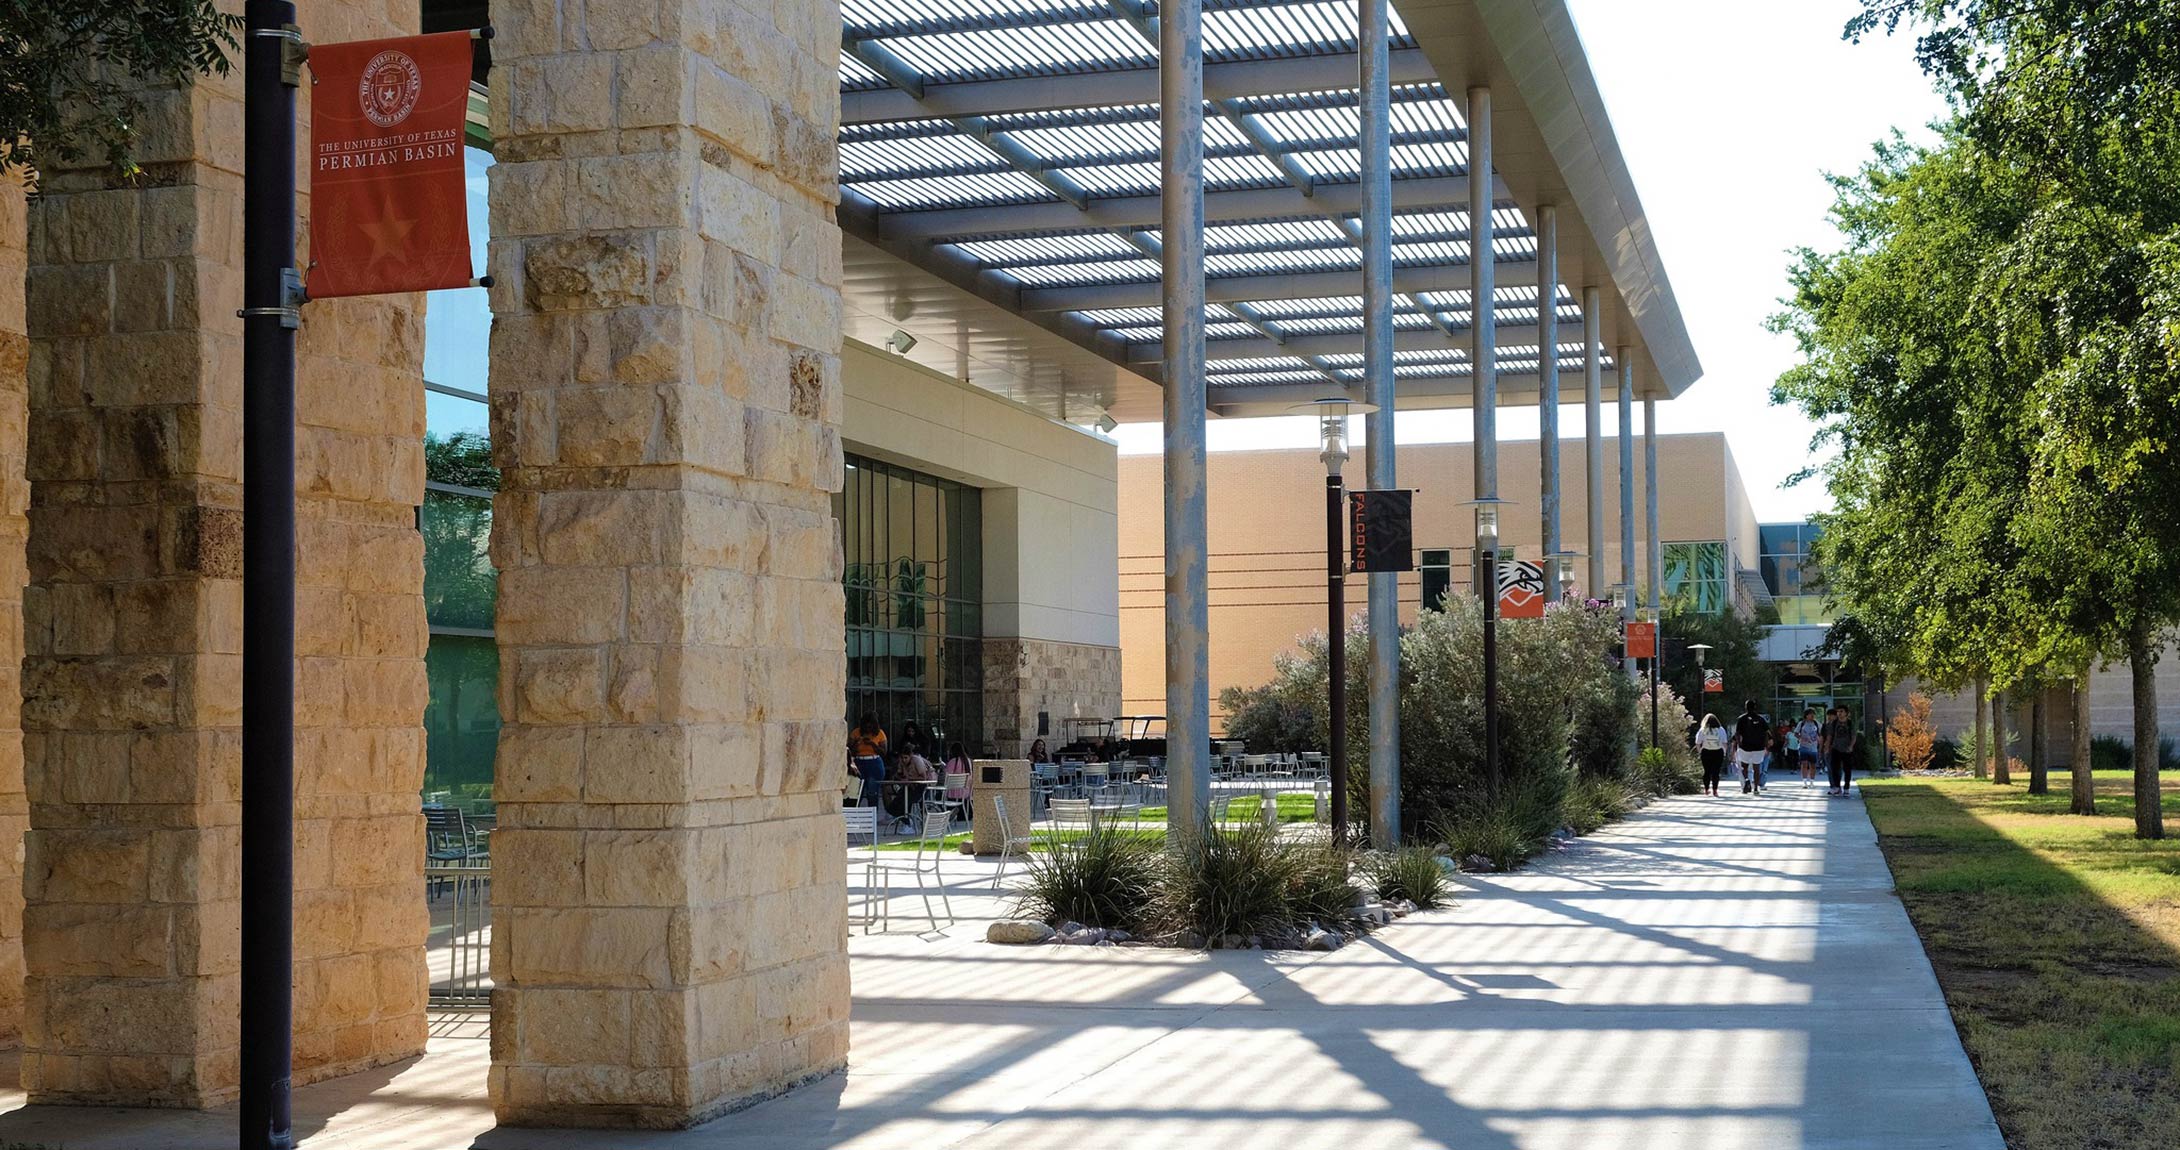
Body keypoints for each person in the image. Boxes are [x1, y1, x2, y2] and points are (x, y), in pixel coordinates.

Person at [1733, 699, 1770, 795]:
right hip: (1758, 747)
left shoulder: (1741, 719)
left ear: (1745, 707)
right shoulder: (1761, 719)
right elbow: (1766, 733)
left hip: (1745, 746)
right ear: (1755, 707)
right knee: (1756, 768)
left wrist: (1739, 744)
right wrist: (1766, 746)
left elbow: (1737, 733)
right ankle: (1756, 788)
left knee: (1744, 767)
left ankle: (1746, 780)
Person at [847, 714, 887, 804]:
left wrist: (872, 744)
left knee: (872, 792)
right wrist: (857, 744)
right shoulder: (856, 733)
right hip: (859, 762)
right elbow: (848, 751)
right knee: (856, 792)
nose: (868, 729)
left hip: (874, 763)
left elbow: (884, 752)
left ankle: (872, 815)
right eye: (866, 726)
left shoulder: (880, 733)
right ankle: (855, 814)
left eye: (870, 726)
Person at [1825, 705, 1861, 796]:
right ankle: (1837, 787)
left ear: (1846, 713)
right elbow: (1829, 736)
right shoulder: (1834, 723)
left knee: (1847, 769)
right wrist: (1827, 747)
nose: (1839, 713)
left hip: (1846, 749)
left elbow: (1853, 736)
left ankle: (1846, 788)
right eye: (1838, 712)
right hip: (1835, 748)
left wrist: (1851, 746)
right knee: (1834, 768)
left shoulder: (1850, 723)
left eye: (1841, 711)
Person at [893, 746, 935, 820]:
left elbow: (923, 778)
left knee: (907, 799)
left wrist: (909, 779)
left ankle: (908, 820)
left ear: (910, 756)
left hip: (923, 786)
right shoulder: (901, 762)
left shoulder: (917, 760)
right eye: (902, 758)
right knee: (899, 798)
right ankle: (901, 817)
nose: (904, 760)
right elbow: (898, 774)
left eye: (906, 758)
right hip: (910, 786)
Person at [1695, 714, 1727, 796]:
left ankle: (1706, 789)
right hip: (1718, 752)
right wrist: (1724, 752)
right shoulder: (1721, 730)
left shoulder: (1703, 730)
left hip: (1706, 752)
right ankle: (1715, 790)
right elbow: (1725, 743)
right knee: (1716, 772)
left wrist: (1700, 752)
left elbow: (1698, 743)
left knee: (1707, 771)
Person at [943, 741, 973, 821]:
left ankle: (948, 814)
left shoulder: (953, 761)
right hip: (965, 792)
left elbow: (947, 776)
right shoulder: (968, 761)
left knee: (938, 795)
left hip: (953, 792)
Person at [1796, 707, 1823, 788]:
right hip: (1804, 746)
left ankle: (1812, 781)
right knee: (1804, 764)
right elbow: (1796, 733)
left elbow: (1821, 734)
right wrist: (1801, 738)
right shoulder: (1802, 723)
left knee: (1813, 765)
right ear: (1806, 715)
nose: (1812, 716)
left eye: (1813, 714)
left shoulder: (1817, 723)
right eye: (1810, 714)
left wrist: (1820, 741)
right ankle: (1804, 781)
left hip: (1814, 747)